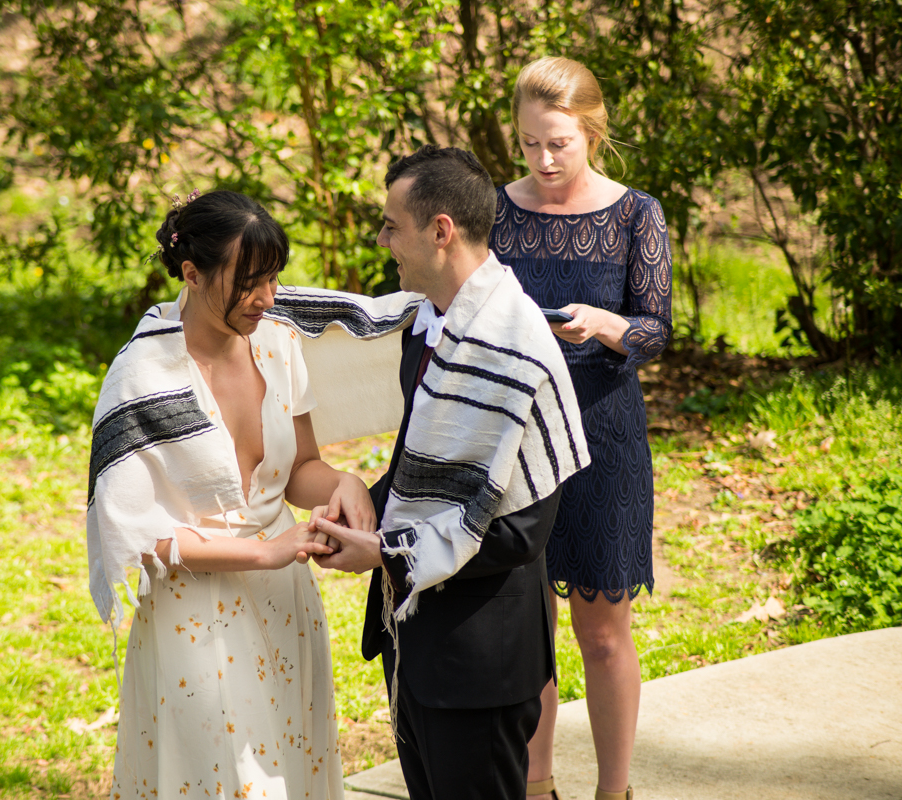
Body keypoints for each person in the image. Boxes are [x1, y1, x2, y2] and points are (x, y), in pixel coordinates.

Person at [310, 145, 591, 800]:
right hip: (417, 642)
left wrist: (385, 552)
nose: (382, 242)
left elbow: (521, 531)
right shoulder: (425, 329)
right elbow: (423, 466)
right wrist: (364, 507)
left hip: (480, 658)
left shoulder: (513, 346)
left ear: (440, 231)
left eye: (391, 226)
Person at [85, 190, 375, 800]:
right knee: (223, 783)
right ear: (191, 273)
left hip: (285, 600)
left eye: (272, 279)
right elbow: (140, 535)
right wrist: (266, 551)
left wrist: (345, 482)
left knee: (290, 770)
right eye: (247, 284)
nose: (266, 299)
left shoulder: (277, 343)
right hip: (193, 611)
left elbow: (299, 468)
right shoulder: (143, 375)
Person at [488, 56, 673, 800]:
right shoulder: (494, 211)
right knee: (528, 631)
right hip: (516, 439)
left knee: (602, 634)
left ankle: (613, 791)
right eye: (530, 143)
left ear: (592, 131)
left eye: (559, 143)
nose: (544, 160)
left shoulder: (636, 214)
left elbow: (657, 329)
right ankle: (536, 787)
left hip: (604, 438)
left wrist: (606, 325)